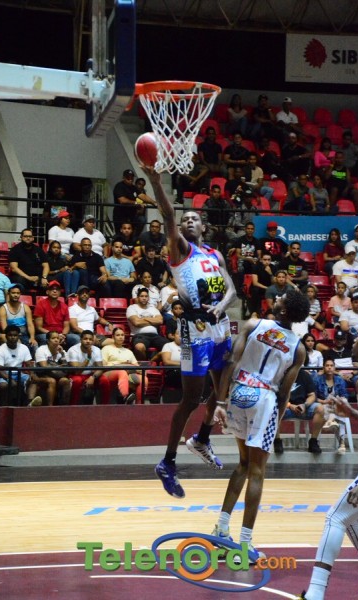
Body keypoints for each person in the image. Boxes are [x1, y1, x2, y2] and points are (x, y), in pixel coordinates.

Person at [144, 167, 236, 499]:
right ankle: (167, 462)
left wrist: (222, 305)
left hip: (220, 325)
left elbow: (231, 290)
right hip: (194, 331)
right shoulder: (181, 250)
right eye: (185, 220)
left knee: (224, 386)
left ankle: (202, 439)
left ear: (204, 226)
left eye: (194, 219)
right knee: (191, 399)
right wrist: (156, 182)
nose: (188, 222)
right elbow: (168, 215)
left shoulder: (214, 254)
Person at [211, 290, 309, 557]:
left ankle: (221, 529)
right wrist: (276, 420)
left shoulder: (254, 324)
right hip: (264, 399)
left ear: (284, 310)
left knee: (243, 463)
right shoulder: (298, 348)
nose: (277, 298)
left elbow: (232, 362)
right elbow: (284, 392)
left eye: (281, 298)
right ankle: (245, 544)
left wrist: (220, 402)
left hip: (239, 392)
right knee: (257, 471)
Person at [299, 323, 358, 600]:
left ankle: (315, 593)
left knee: (336, 517)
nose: (355, 341)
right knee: (349, 516)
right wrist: (352, 412)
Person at [273, 364, 325, 454]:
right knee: (273, 409)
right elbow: (277, 396)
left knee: (320, 408)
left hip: (303, 407)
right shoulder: (280, 375)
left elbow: (312, 395)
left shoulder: (304, 375)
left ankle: (313, 441)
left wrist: (304, 405)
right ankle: (277, 441)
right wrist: (290, 405)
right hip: (285, 407)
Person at [0, 324, 42, 407]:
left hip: (19, 373)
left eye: (15, 335)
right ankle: (2, 408)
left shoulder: (24, 348)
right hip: (4, 374)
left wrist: (32, 374)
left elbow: (29, 363)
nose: (13, 337)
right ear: (6, 336)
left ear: (18, 336)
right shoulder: (0, 350)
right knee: (4, 385)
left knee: (33, 380)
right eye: (10, 335)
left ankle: (30, 404)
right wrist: (9, 379)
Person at [315, 358, 350, 454]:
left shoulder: (339, 380)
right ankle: (341, 443)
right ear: (323, 368)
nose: (329, 368)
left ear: (334, 368)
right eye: (327, 365)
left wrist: (337, 400)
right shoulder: (317, 379)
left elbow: (345, 395)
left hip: (336, 405)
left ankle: (331, 421)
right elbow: (313, 397)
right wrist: (324, 401)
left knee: (340, 409)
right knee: (337, 413)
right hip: (323, 406)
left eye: (331, 366)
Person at [67, 330, 111, 405]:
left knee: (104, 380)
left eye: (90, 339)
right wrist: (88, 358)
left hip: (91, 374)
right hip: (77, 375)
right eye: (85, 339)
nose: (88, 341)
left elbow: (100, 368)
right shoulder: (73, 350)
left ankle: (105, 406)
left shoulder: (96, 350)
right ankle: (73, 406)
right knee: (77, 381)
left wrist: (93, 377)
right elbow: (77, 371)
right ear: (81, 340)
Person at [101, 326, 143, 404]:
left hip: (127, 373)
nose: (120, 337)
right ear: (113, 337)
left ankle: (139, 404)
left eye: (122, 335)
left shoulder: (128, 351)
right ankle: (125, 396)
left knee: (143, 378)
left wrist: (136, 369)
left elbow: (137, 368)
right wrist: (122, 365)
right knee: (122, 372)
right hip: (109, 373)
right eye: (118, 335)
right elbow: (104, 366)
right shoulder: (106, 348)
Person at [33, 280, 78, 348]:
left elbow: (66, 326)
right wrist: (54, 336)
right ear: (47, 292)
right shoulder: (40, 304)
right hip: (46, 334)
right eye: (52, 289)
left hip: (61, 334)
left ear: (60, 292)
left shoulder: (64, 306)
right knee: (44, 338)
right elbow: (39, 327)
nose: (55, 291)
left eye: (57, 289)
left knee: (76, 338)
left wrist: (63, 335)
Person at [126, 287, 167, 360]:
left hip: (155, 336)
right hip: (139, 336)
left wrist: (144, 319)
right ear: (138, 298)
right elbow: (136, 322)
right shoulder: (132, 308)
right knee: (139, 347)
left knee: (168, 347)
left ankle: (153, 360)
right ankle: (146, 364)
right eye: (142, 296)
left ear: (148, 298)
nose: (144, 298)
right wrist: (153, 321)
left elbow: (160, 321)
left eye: (146, 296)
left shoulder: (153, 309)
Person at [34, 330, 71, 405]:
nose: (56, 340)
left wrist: (62, 354)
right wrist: (59, 366)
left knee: (65, 381)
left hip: (58, 375)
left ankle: (64, 407)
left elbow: (66, 368)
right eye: (53, 338)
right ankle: (50, 407)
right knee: (52, 381)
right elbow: (44, 367)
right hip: (42, 375)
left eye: (57, 338)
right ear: (48, 341)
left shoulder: (62, 351)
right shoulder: (41, 350)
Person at [0, 283, 37, 354]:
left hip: (24, 334)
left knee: (34, 345)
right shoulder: (3, 309)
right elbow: (4, 328)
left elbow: (30, 325)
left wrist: (32, 337)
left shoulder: (25, 307)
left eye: (18, 293)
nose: (16, 295)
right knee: (18, 346)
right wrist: (16, 338)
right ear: (9, 294)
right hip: (10, 334)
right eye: (13, 293)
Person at [112, 169, 146, 235]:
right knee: (120, 234)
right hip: (120, 215)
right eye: (128, 177)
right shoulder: (119, 186)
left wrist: (154, 202)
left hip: (132, 215)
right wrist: (135, 203)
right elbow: (122, 200)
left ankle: (135, 237)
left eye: (132, 178)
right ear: (123, 177)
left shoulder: (134, 188)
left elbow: (142, 196)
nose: (130, 179)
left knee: (141, 220)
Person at [248, 252, 275, 316]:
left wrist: (270, 273)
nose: (267, 262)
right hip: (259, 287)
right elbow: (255, 283)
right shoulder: (256, 267)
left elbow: (274, 282)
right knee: (255, 290)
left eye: (269, 260)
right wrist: (267, 288)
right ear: (261, 260)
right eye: (265, 260)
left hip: (270, 287)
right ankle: (254, 312)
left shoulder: (273, 267)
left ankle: (273, 311)